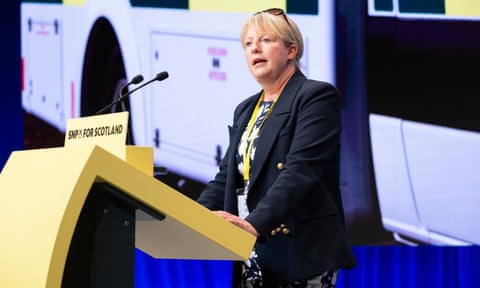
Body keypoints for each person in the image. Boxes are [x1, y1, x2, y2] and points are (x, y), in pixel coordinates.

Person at [197, 8, 356, 288]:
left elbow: (300, 171)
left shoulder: (315, 97)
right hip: (251, 249)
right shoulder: (245, 109)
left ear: (291, 50)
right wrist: (189, 217)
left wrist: (254, 223)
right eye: (248, 43)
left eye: (266, 40)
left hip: (299, 251)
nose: (254, 48)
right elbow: (226, 179)